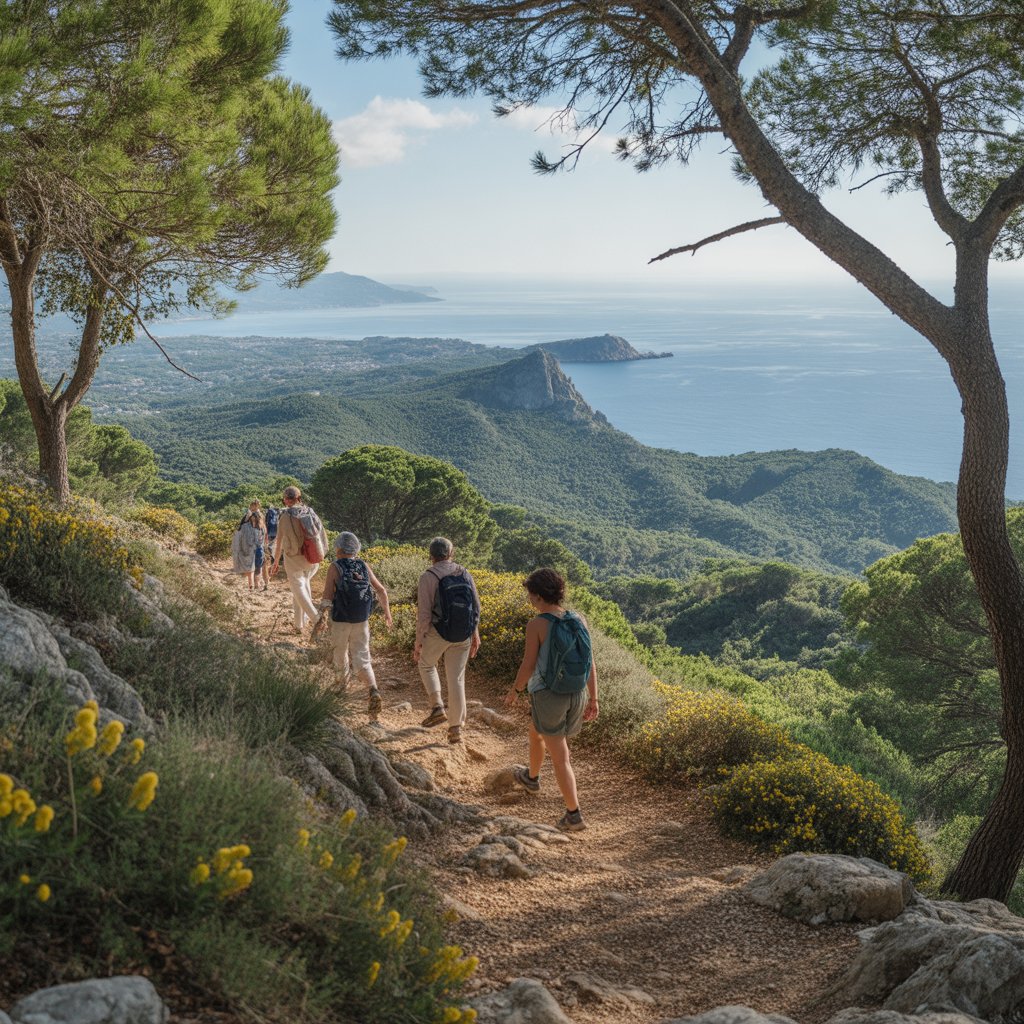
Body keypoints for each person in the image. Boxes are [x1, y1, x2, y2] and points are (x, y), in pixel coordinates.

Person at [503, 567, 598, 832]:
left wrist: (515, 690)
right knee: (536, 731)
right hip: (577, 694)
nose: (529, 599)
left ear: (537, 596)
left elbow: (528, 665)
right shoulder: (578, 619)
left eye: (530, 594)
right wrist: (594, 698)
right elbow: (590, 663)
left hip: (550, 695)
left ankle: (573, 814)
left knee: (561, 756)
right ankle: (531, 778)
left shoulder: (537, 624)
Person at [414, 537, 481, 744]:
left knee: (426, 664)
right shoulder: (464, 572)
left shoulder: (428, 576)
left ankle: (437, 707)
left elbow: (424, 615)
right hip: (463, 634)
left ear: (431, 555)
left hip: (439, 632)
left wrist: (418, 641)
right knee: (457, 679)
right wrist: (475, 632)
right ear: (451, 553)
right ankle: (455, 729)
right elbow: (476, 606)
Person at [319, 532, 393, 716]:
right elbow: (381, 590)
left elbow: (327, 596)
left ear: (338, 548)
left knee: (340, 652)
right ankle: (373, 689)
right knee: (362, 656)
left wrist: (322, 617)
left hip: (340, 620)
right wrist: (387, 614)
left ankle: (341, 687)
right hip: (361, 619)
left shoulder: (335, 566)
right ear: (356, 548)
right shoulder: (362, 565)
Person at [270, 485, 328, 634]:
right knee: (303, 585)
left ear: (285, 500)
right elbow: (321, 535)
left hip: (294, 559)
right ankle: (299, 624)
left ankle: (316, 618)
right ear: (299, 498)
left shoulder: (285, 516)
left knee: (298, 587)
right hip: (312, 557)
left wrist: (275, 562)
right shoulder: (309, 511)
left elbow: (279, 542)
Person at [240, 501, 269, 591]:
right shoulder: (260, 516)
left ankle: (257, 584)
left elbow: (241, 529)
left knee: (257, 566)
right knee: (261, 565)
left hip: (254, 546)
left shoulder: (249, 516)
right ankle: (262, 584)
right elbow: (265, 530)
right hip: (260, 545)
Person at [231, 510, 261, 589]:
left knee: (251, 567)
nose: (253, 519)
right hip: (250, 549)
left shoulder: (248, 526)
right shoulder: (249, 526)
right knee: (251, 567)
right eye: (252, 517)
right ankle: (252, 584)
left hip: (250, 549)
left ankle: (253, 584)